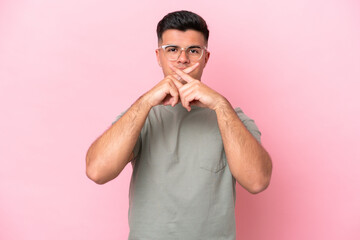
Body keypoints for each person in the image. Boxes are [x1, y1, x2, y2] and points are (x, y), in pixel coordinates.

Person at [86, 10, 272, 240]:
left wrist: (220, 105)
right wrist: (146, 102)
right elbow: (97, 171)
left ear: (206, 58)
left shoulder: (233, 118)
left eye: (193, 51)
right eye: (172, 50)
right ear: (158, 56)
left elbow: (257, 181)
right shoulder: (140, 116)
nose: (182, 59)